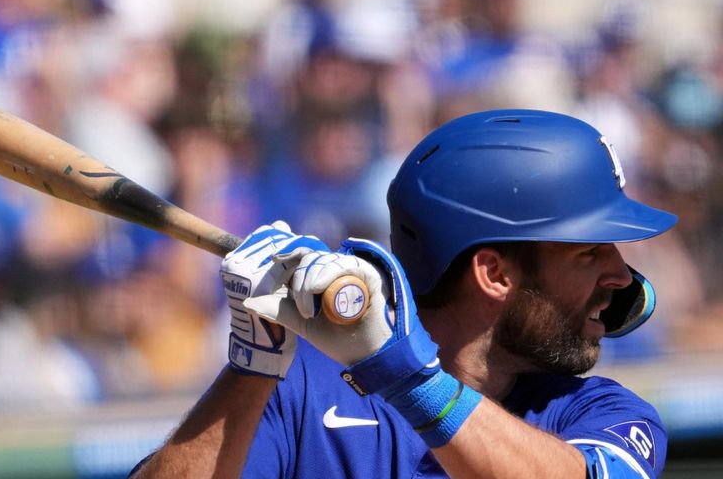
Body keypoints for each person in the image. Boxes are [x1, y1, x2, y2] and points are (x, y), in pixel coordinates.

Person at [131, 109, 677, 478]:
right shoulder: (301, 391)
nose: (623, 278)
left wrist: (409, 379)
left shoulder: (601, 412)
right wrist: (250, 369)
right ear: (495, 274)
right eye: (589, 254)